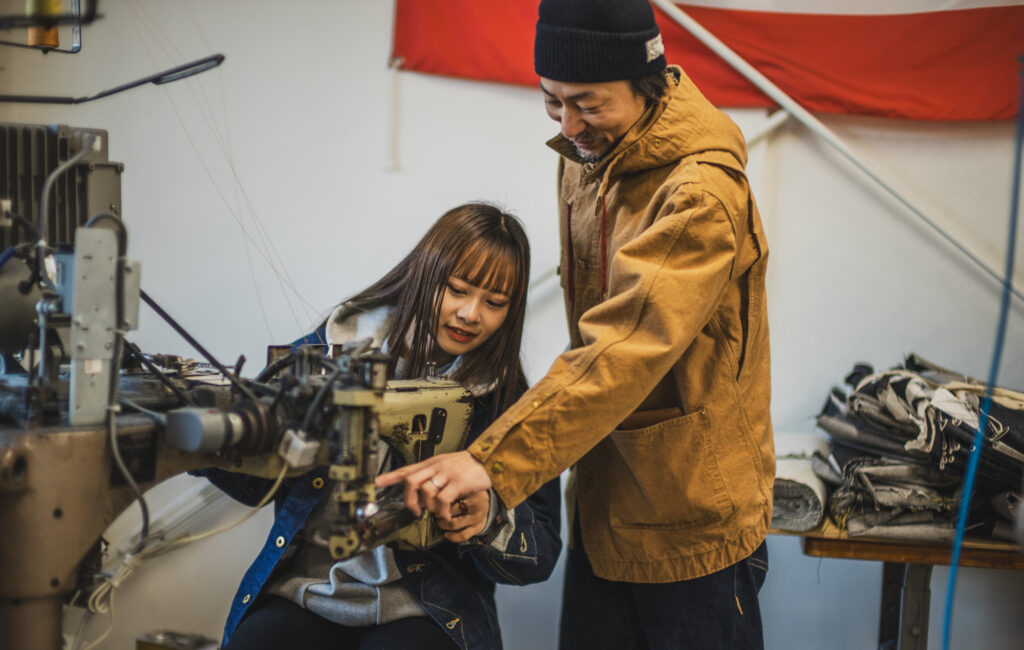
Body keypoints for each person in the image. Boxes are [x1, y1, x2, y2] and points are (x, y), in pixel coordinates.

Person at [377, 1, 774, 648]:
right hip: (604, 498)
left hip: (690, 518)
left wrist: (491, 464)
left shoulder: (700, 195)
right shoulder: (587, 156)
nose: (567, 125)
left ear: (646, 83)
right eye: (551, 101)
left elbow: (621, 348)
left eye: (586, 104)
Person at [203, 202, 562, 650]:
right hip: (308, 590)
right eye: (457, 290)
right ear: (426, 273)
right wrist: (209, 442)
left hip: (426, 607)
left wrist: (486, 519)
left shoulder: (509, 404)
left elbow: (540, 554)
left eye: (495, 303)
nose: (471, 314)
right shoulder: (333, 346)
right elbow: (256, 485)